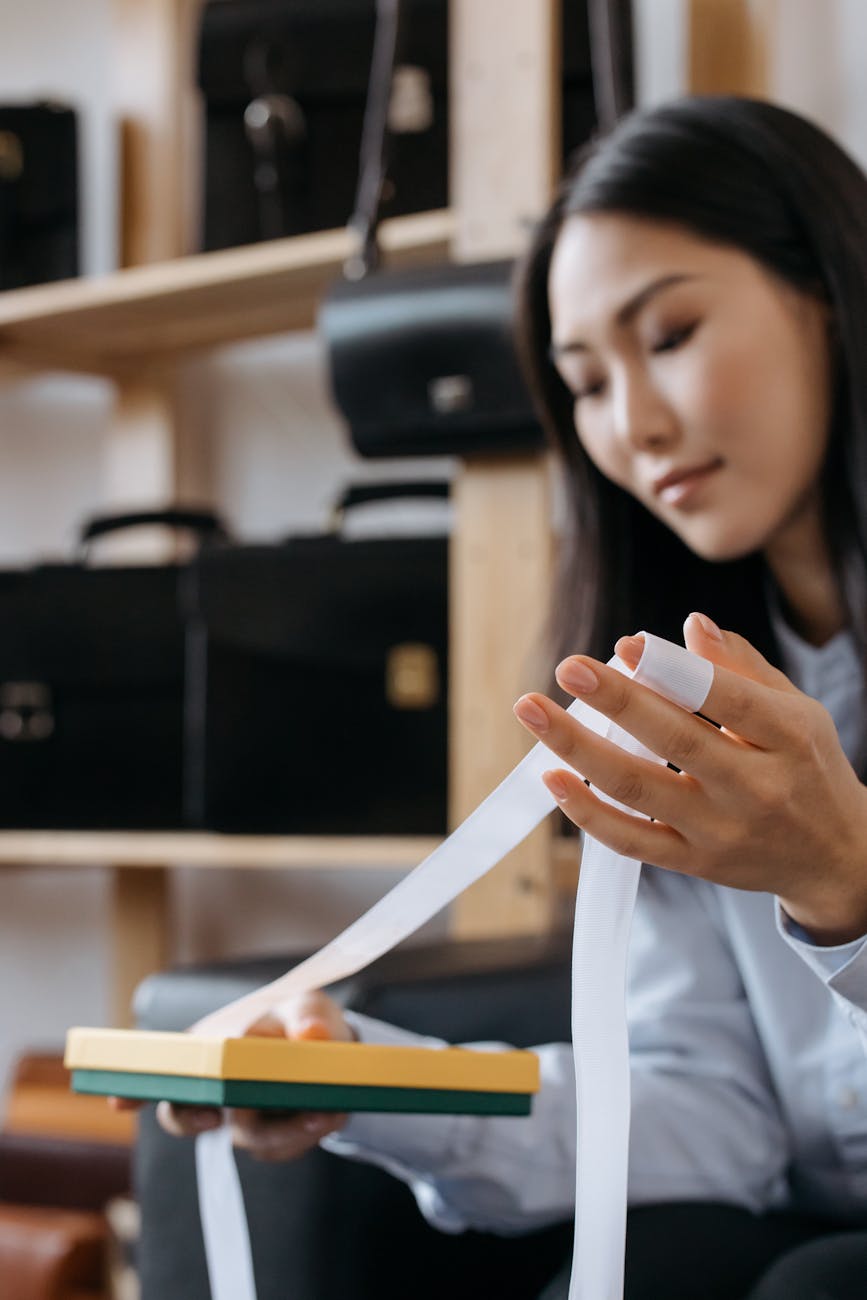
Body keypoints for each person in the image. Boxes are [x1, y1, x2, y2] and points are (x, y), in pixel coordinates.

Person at [160, 96, 867, 1298]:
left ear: (832, 294)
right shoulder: (690, 702)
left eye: (675, 332)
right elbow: (715, 1116)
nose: (633, 424)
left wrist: (848, 881)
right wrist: (373, 1079)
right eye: (585, 382)